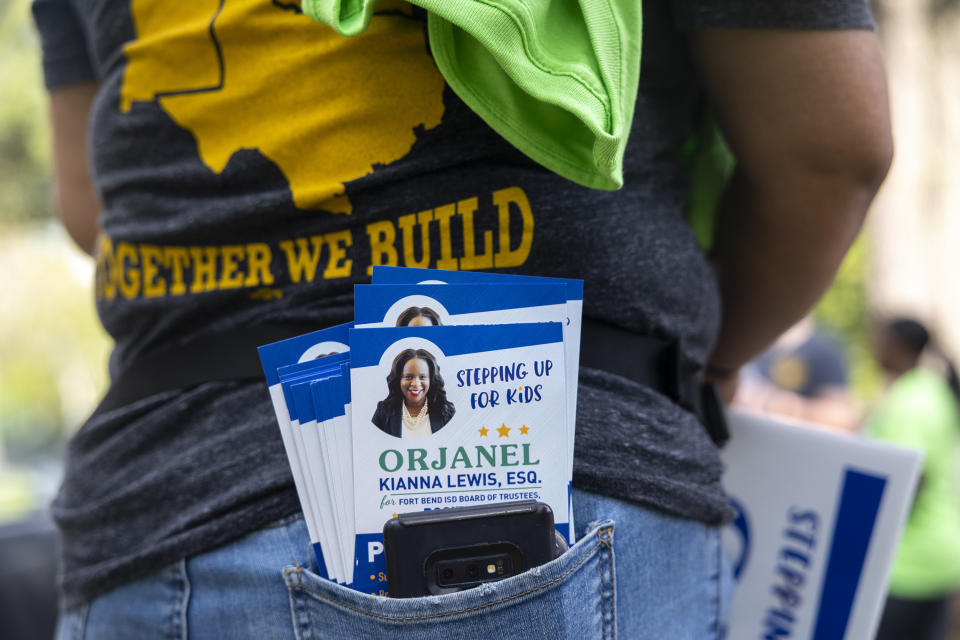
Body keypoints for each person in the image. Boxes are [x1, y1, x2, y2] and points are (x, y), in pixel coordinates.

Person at [32, 0, 891, 637]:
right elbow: (832, 150)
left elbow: (89, 208)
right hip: (549, 482)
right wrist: (705, 356)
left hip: (147, 509)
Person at [867, 318, 960, 640]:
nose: (872, 346)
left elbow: (913, 481)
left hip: (908, 563)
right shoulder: (930, 388)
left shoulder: (909, 403)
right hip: (938, 554)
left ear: (896, 345)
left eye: (879, 337)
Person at [371, 348, 454, 438]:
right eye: (409, 377)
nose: (415, 384)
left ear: (431, 380)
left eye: (422, 377)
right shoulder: (383, 412)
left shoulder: (446, 412)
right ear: (399, 379)